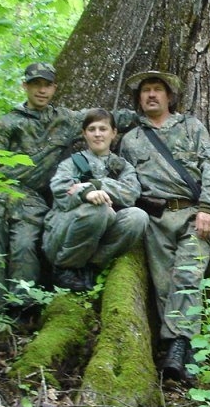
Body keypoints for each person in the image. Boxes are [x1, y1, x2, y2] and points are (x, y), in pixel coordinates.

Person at [117, 70, 210, 380]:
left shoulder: (192, 127)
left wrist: (208, 207)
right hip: (155, 219)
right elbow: (125, 182)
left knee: (187, 276)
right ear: (139, 99)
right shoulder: (130, 139)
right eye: (145, 91)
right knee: (164, 284)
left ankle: (179, 347)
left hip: (194, 215)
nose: (151, 95)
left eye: (157, 90)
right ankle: (182, 351)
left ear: (169, 97)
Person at [0, 62, 84, 311]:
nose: (41, 91)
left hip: (32, 200)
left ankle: (20, 309)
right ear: (25, 86)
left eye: (46, 85)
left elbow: (104, 119)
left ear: (54, 88)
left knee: (25, 247)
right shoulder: (8, 123)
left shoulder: (66, 120)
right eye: (35, 85)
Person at [42, 109, 148, 292]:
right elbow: (60, 189)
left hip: (100, 238)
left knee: (138, 217)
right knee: (98, 210)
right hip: (62, 236)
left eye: (103, 129)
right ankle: (64, 270)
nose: (98, 134)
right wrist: (85, 194)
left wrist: (97, 185)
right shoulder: (71, 163)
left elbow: (131, 193)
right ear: (84, 134)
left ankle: (91, 268)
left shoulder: (123, 167)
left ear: (114, 133)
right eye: (92, 129)